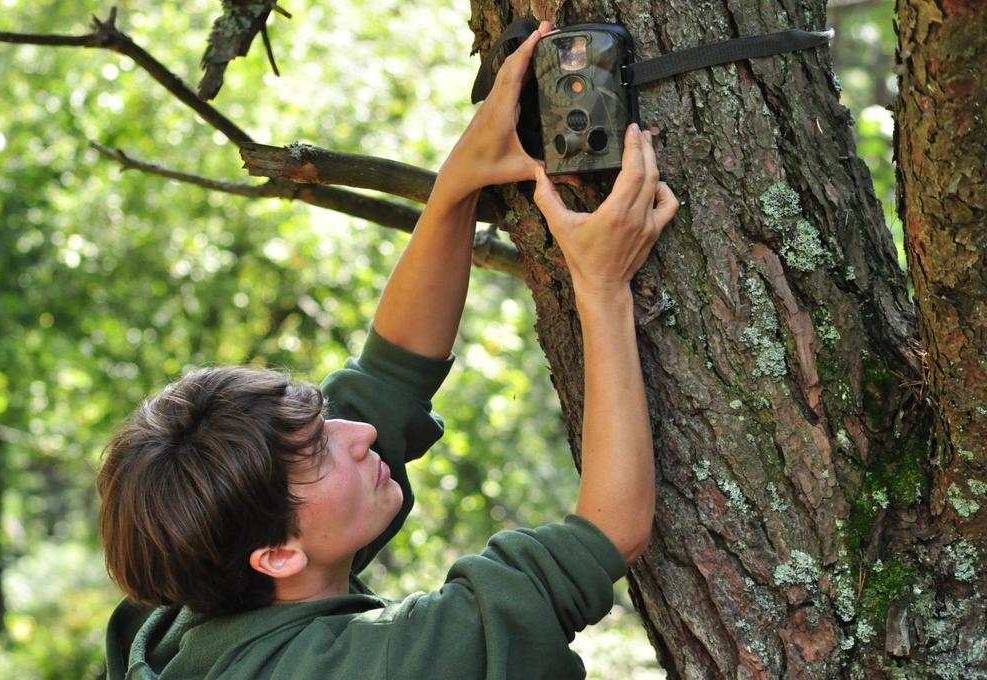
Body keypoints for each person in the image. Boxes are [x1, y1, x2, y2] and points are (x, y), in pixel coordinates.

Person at [98, 20, 678, 680]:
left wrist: (459, 178)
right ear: (279, 555)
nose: (361, 431)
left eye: (321, 420)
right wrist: (602, 288)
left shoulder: (194, 595)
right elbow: (607, 535)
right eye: (320, 451)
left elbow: (387, 377)